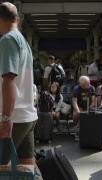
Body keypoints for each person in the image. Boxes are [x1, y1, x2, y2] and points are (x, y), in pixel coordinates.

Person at [0, 2, 41, 179]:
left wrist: (6, 118)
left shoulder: (7, 40)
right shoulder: (23, 41)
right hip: (27, 116)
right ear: (16, 19)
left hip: (14, 118)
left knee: (3, 166)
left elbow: (9, 79)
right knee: (27, 166)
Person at [72, 76, 96, 141]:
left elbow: (94, 101)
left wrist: (90, 107)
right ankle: (76, 131)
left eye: (89, 83)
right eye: (86, 84)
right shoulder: (76, 89)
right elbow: (74, 101)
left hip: (89, 106)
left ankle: (90, 132)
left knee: (91, 114)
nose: (88, 85)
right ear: (82, 84)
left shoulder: (92, 88)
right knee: (76, 114)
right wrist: (77, 110)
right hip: (80, 106)